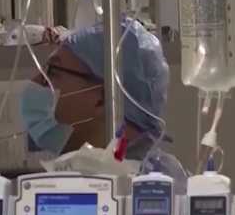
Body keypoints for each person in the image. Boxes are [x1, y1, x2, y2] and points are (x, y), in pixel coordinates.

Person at [19, 17, 187, 189]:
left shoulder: (150, 192)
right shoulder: (81, 182)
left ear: (104, 97)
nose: (35, 81)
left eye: (52, 72)